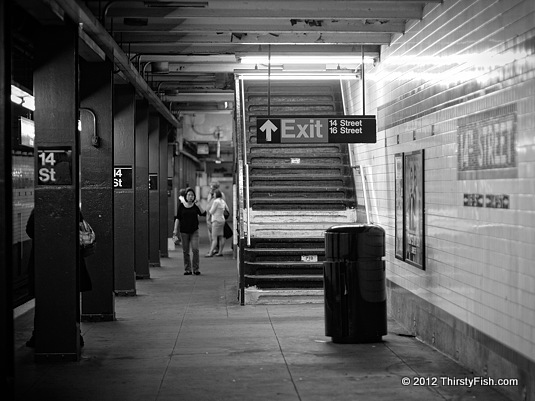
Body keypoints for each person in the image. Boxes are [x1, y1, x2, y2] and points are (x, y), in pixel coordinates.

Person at [25, 208, 93, 348]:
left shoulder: (39, 209)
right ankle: (74, 333)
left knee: (45, 299)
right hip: (70, 260)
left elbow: (30, 231)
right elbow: (81, 228)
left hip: (44, 260)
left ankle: (39, 334)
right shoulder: (74, 208)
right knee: (69, 298)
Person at [174, 187, 206, 275]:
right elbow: (178, 218)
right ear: (186, 196)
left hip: (194, 231)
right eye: (189, 195)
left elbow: (204, 213)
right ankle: (187, 269)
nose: (190, 196)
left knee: (195, 250)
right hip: (184, 231)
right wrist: (175, 230)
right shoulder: (181, 206)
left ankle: (196, 269)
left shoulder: (195, 206)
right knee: (186, 251)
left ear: (194, 197)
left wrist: (199, 205)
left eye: (192, 195)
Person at [206, 189, 228, 257]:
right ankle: (220, 252)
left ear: (216, 194)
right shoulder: (222, 201)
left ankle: (210, 252)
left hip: (216, 220)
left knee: (214, 238)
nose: (213, 195)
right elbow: (227, 209)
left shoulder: (216, 201)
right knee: (221, 236)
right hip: (222, 220)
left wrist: (208, 211)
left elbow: (211, 211)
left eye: (214, 194)